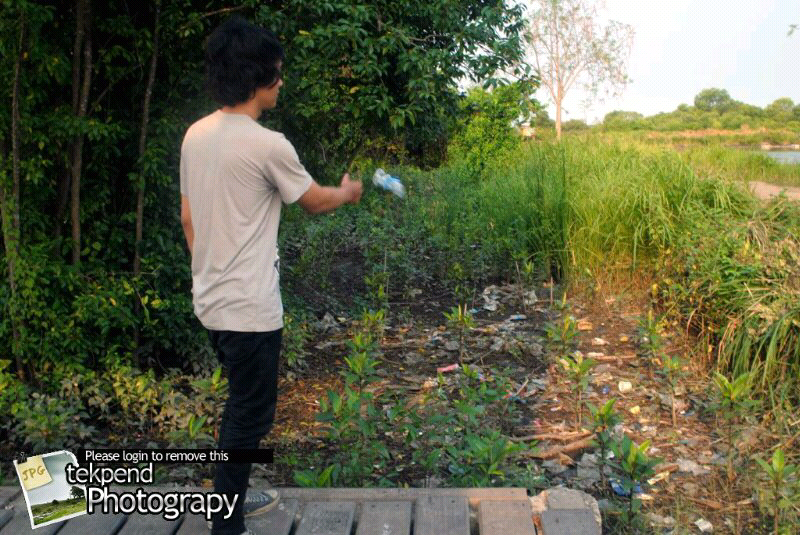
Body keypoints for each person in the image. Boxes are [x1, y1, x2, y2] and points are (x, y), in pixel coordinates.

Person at [179, 16, 362, 535]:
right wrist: (347, 192)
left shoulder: (196, 136)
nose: (282, 81)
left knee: (241, 405)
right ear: (259, 78)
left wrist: (205, 275)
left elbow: (188, 218)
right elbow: (313, 202)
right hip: (251, 310)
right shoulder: (268, 144)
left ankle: (233, 500)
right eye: (278, 73)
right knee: (249, 417)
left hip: (211, 302)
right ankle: (227, 523)